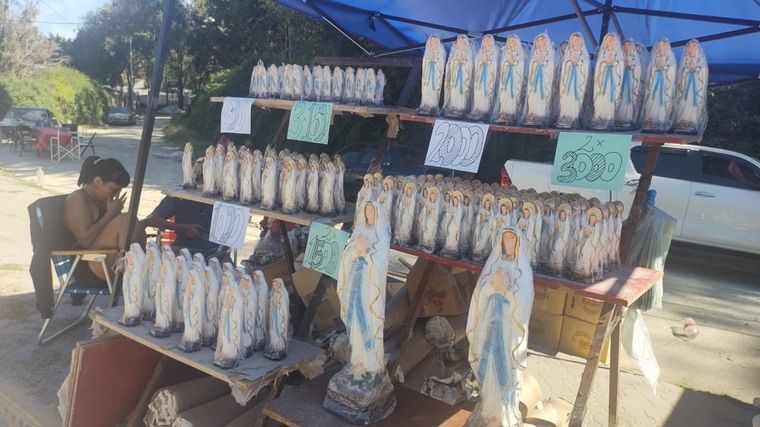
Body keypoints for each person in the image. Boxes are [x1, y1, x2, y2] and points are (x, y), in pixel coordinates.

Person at [64, 156, 143, 287]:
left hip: (107, 260)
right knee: (124, 220)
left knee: (132, 221)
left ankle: (140, 273)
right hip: (87, 265)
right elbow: (86, 240)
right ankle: (137, 278)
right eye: (113, 190)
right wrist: (111, 214)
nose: (116, 195)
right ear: (97, 182)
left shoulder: (103, 201)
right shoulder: (77, 200)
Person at [140, 196, 223, 257]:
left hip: (214, 251)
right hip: (181, 246)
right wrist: (185, 228)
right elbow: (150, 220)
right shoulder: (179, 196)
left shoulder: (223, 197)